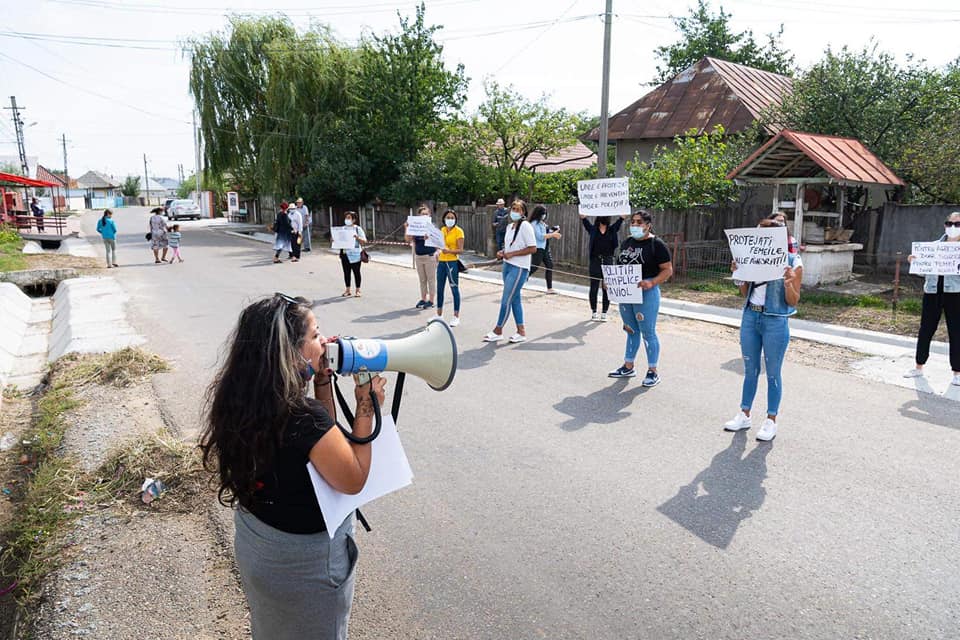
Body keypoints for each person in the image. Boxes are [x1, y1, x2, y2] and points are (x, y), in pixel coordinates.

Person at [200, 293, 387, 640]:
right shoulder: (303, 418)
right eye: (315, 335)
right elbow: (352, 478)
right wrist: (366, 407)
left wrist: (320, 382)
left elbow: (324, 444)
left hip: (259, 543)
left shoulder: (242, 397)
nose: (325, 340)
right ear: (291, 352)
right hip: (304, 563)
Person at [723, 217, 803, 442]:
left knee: (773, 373)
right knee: (750, 368)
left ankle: (771, 420)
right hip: (751, 315)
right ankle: (744, 413)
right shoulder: (750, 259)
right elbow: (745, 292)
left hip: (775, 320)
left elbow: (794, 301)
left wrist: (789, 282)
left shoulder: (793, 262)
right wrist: (739, 277)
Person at [608, 211, 673, 387]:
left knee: (648, 332)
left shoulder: (656, 244)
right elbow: (620, 266)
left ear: (648, 225)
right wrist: (611, 282)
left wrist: (652, 283)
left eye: (639, 222)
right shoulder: (627, 242)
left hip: (646, 294)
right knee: (630, 329)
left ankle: (653, 371)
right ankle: (628, 366)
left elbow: (667, 270)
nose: (635, 225)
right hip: (626, 294)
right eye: (633, 222)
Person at [904, 211, 960, 386]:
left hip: (956, 294)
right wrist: (914, 262)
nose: (953, 228)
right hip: (932, 292)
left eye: (957, 225)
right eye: (950, 223)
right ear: (945, 225)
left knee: (956, 332)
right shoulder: (933, 246)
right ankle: (918, 366)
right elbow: (923, 270)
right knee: (926, 329)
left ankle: (957, 372)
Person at [483, 199, 537, 343]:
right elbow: (510, 247)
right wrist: (502, 252)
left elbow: (533, 248)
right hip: (507, 266)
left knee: (506, 299)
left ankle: (498, 329)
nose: (515, 211)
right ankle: (521, 331)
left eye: (518, 209)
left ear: (523, 212)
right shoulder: (509, 227)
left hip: (519, 268)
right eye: (513, 208)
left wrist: (512, 254)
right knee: (515, 299)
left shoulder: (525, 226)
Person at [580, 213, 626, 321]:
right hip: (595, 261)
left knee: (607, 288)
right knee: (594, 287)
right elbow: (584, 221)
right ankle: (594, 311)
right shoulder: (593, 229)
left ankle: (604, 312)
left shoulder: (612, 229)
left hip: (608, 260)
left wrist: (622, 216)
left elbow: (620, 221)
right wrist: (583, 216)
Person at [436, 209, 465, 326]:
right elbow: (437, 244)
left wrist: (449, 251)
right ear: (444, 219)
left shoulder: (459, 231)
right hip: (442, 262)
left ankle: (456, 316)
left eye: (452, 217)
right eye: (448, 217)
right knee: (440, 288)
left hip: (452, 262)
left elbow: (461, 250)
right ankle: (439, 314)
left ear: (455, 219)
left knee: (454, 288)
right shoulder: (442, 230)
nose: (450, 219)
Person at [405, 205, 437, 309]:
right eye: (422, 214)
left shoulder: (432, 226)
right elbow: (408, 239)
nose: (424, 216)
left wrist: (428, 237)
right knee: (422, 280)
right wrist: (407, 228)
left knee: (431, 279)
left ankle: (431, 301)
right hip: (419, 256)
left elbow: (437, 241)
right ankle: (423, 299)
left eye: (426, 214)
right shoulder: (415, 226)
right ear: (418, 216)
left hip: (430, 256)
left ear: (429, 215)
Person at [529, 205, 561, 294]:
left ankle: (549, 288)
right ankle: (520, 281)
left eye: (545, 213)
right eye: (543, 213)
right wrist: (553, 235)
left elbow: (546, 233)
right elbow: (540, 237)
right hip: (538, 248)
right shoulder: (534, 223)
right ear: (538, 213)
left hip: (545, 248)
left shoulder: (542, 223)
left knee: (550, 265)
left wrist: (553, 230)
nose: (544, 215)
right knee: (534, 267)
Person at [339, 211, 367, 297]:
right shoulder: (342, 229)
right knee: (346, 273)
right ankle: (347, 290)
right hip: (344, 254)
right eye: (346, 218)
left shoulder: (358, 229)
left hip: (355, 255)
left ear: (354, 220)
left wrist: (357, 237)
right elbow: (337, 240)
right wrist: (333, 240)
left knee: (356, 272)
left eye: (349, 218)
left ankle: (358, 290)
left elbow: (364, 241)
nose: (347, 220)